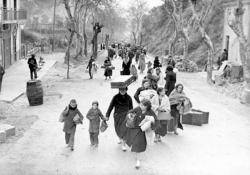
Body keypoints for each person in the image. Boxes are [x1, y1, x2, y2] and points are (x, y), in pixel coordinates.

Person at [125, 99, 156, 169]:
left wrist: (151, 122)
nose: (140, 106)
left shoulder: (150, 112)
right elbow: (130, 112)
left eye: (142, 105)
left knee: (139, 145)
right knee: (135, 144)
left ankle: (138, 161)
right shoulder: (138, 108)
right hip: (134, 129)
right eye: (140, 104)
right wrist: (130, 115)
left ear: (146, 106)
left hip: (143, 131)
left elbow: (155, 121)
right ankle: (137, 157)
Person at [106, 87, 133, 151]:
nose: (122, 91)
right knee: (117, 128)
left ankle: (123, 144)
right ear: (119, 90)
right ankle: (120, 138)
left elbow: (131, 107)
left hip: (126, 116)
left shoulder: (129, 97)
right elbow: (111, 106)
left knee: (124, 129)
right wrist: (107, 115)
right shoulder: (115, 97)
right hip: (117, 115)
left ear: (126, 90)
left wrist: (132, 115)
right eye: (121, 89)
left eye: (124, 89)